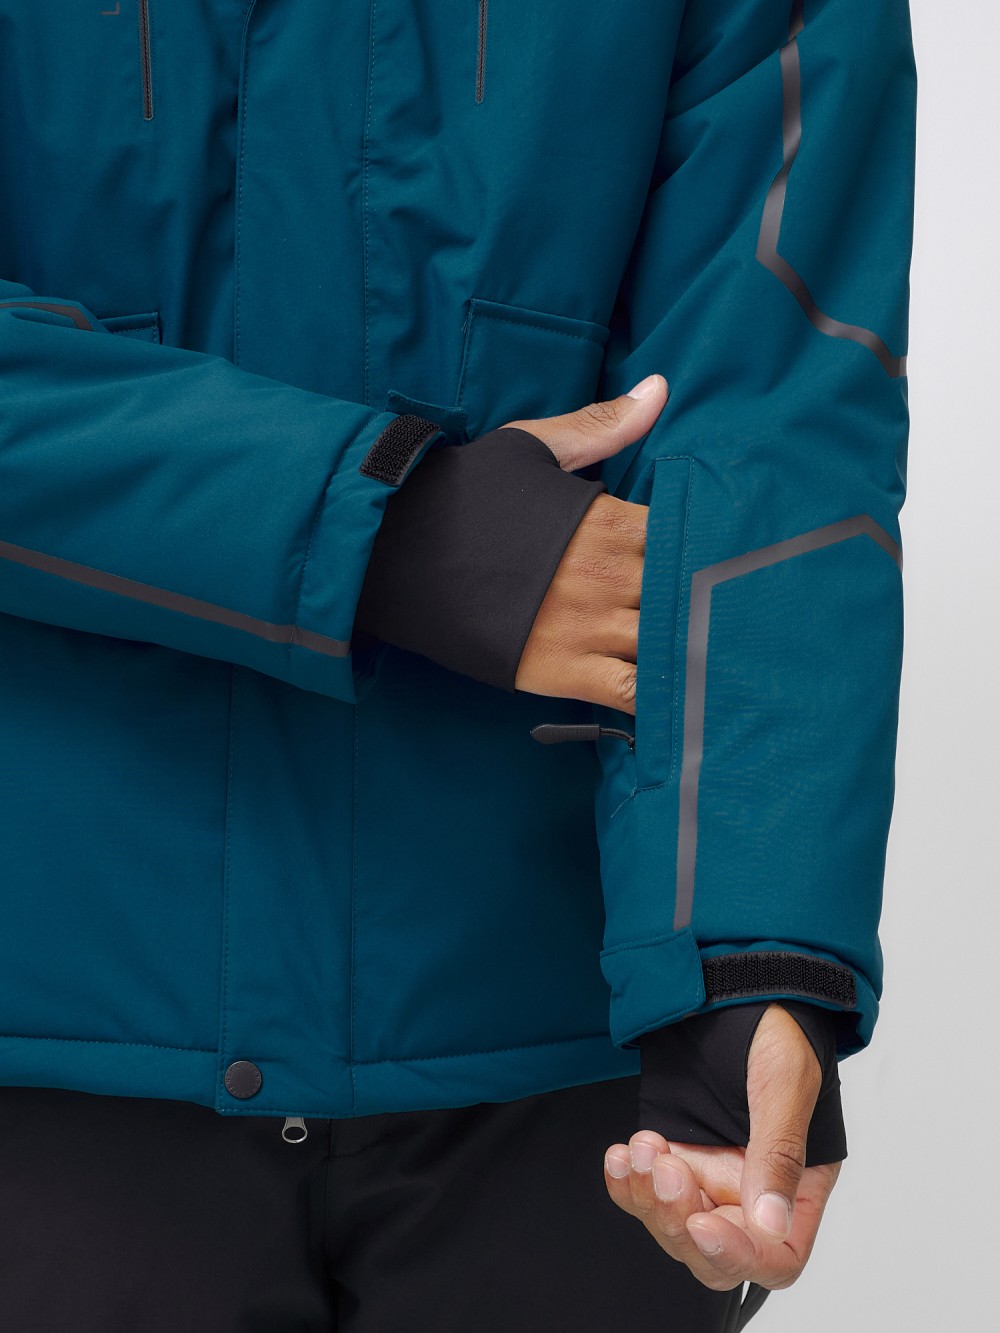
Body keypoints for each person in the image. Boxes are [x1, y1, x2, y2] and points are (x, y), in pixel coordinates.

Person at [0, 0, 916, 1328]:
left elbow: (775, 404)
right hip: (54, 1036)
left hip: (562, 1065)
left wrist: (741, 967)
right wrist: (377, 528)